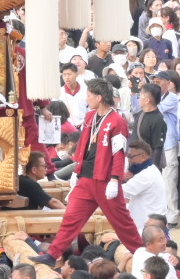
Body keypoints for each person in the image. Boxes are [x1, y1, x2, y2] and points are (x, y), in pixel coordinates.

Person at [43, 80, 143, 261]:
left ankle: (143, 254)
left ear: (99, 97)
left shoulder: (117, 121)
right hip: (86, 177)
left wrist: (115, 179)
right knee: (71, 219)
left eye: (89, 94)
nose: (86, 98)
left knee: (122, 223)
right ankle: (52, 254)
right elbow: (83, 145)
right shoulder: (90, 117)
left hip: (105, 180)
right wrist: (76, 170)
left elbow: (118, 153)